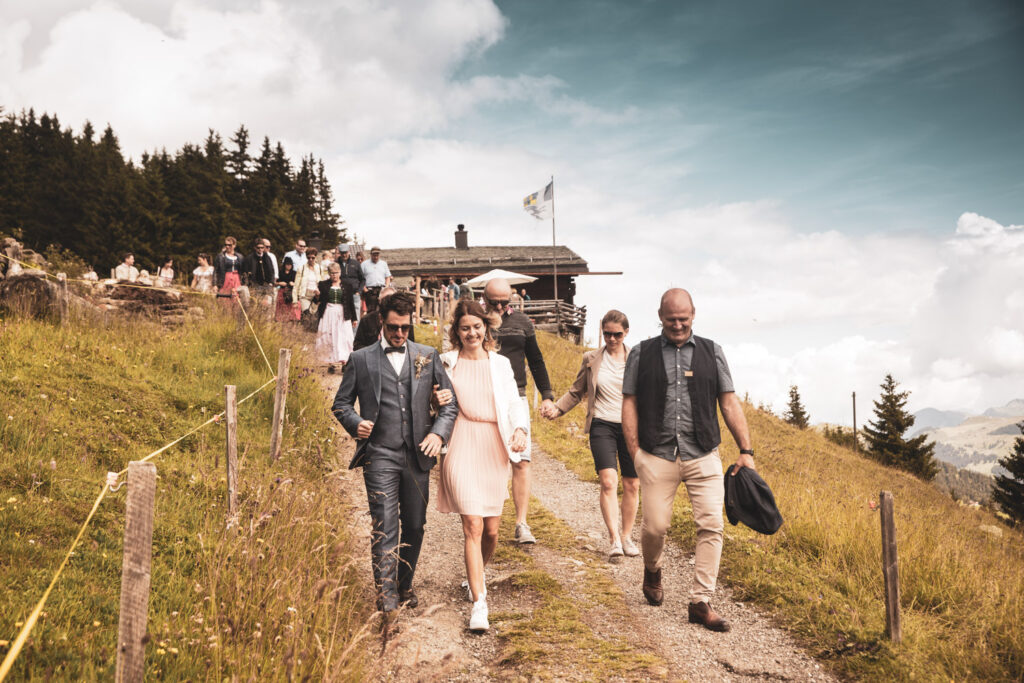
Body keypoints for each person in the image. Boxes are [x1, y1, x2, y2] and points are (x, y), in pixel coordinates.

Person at [621, 288, 754, 633]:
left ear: (694, 314)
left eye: (683, 318)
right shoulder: (641, 352)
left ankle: (700, 602)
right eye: (671, 319)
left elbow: (728, 402)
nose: (678, 325)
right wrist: (635, 452)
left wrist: (746, 450)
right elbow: (630, 403)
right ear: (660, 317)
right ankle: (653, 569)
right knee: (654, 528)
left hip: (703, 454)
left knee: (712, 524)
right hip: (656, 454)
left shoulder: (713, 352)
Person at [332, 291, 458, 619]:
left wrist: (437, 433)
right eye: (393, 328)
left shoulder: (427, 356)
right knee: (385, 526)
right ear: (380, 323)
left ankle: (404, 583)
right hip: (379, 454)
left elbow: (450, 405)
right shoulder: (360, 359)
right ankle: (386, 598)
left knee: (415, 526)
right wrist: (355, 422)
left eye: (404, 327)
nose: (399, 334)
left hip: (417, 456)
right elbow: (341, 404)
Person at [437, 300, 528, 631]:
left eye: (476, 326)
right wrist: (435, 401)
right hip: (460, 439)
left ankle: (476, 573)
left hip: (493, 443)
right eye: (464, 328)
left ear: (485, 328)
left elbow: (514, 401)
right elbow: (432, 399)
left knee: (491, 530)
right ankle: (480, 604)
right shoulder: (446, 362)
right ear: (456, 332)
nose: (471, 333)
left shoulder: (500, 364)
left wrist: (519, 429)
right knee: (472, 525)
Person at [542, 310, 638, 560]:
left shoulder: (637, 359)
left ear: (626, 332)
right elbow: (577, 391)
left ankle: (627, 536)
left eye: (617, 334)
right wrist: (557, 408)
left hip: (631, 428)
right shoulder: (591, 358)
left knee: (632, 484)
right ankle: (614, 538)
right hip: (602, 424)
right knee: (608, 481)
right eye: (607, 334)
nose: (612, 339)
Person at [483, 277, 555, 544]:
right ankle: (486, 516)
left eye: (505, 301)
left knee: (521, 460)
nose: (501, 307)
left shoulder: (522, 322)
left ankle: (521, 523)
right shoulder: (478, 320)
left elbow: (535, 360)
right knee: (491, 460)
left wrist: (547, 395)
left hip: (518, 396)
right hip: (486, 398)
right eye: (495, 302)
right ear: (485, 298)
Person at [314, 263, 357, 371]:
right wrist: (317, 296)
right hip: (328, 313)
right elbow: (317, 301)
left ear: (340, 273)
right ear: (329, 273)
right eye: (332, 273)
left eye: (336, 273)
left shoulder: (347, 285)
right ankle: (331, 363)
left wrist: (354, 318)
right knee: (329, 337)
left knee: (344, 337)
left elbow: (351, 302)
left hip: (343, 313)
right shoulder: (323, 285)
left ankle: (344, 362)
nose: (334, 275)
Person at [353, 286, 416, 351]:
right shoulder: (367, 320)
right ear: (379, 301)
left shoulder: (406, 320)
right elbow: (357, 345)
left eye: (404, 328)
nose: (399, 334)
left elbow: (411, 344)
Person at [361, 246, 392, 314]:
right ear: (371, 254)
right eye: (374, 255)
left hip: (381, 290)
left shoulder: (383, 264)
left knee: (383, 310)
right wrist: (365, 290)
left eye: (377, 255)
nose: (375, 257)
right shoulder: (364, 264)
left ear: (379, 255)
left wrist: (386, 288)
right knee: (371, 312)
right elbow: (360, 279)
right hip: (370, 291)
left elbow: (388, 277)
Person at [293, 247, 323, 317]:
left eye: (312, 258)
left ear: (316, 257)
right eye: (308, 257)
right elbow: (296, 285)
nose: (310, 259)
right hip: (304, 295)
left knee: (314, 315)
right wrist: (295, 301)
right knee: (307, 315)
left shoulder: (319, 268)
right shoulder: (302, 268)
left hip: (316, 295)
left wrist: (321, 294)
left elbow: (322, 283)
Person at [338, 245, 365, 322]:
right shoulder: (336, 264)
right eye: (342, 253)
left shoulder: (356, 263)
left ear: (349, 252)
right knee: (342, 317)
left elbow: (362, 279)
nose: (344, 255)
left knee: (355, 318)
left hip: (354, 294)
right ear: (339, 253)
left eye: (345, 252)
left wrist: (359, 292)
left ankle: (355, 334)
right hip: (341, 294)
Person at [243, 239, 275, 304]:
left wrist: (271, 282)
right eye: (258, 248)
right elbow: (245, 273)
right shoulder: (250, 258)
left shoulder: (267, 257)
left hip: (267, 285)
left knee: (268, 304)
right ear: (255, 247)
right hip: (255, 285)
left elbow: (272, 270)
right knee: (256, 304)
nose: (260, 249)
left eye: (262, 247)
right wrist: (250, 284)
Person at [214, 238, 243, 305]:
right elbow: (216, 271)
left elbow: (242, 270)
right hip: (225, 278)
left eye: (229, 245)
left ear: (234, 245)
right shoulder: (221, 256)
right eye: (226, 245)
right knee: (225, 298)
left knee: (236, 298)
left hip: (236, 279)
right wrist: (215, 284)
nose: (227, 246)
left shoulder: (240, 257)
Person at [274, 257, 301, 322]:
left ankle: (291, 319)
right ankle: (281, 320)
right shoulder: (280, 272)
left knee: (291, 307)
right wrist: (279, 283)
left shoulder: (294, 273)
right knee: (281, 307)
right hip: (282, 292)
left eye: (290, 264)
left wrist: (293, 284)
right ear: (284, 265)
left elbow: (299, 283)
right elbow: (274, 283)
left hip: (291, 292)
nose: (289, 266)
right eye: (287, 264)